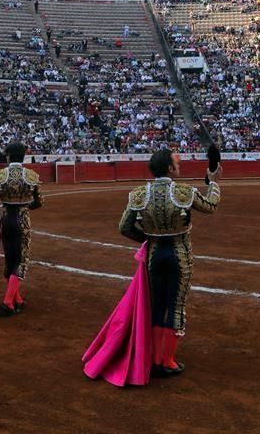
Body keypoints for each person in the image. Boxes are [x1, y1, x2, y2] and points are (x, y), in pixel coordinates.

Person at [84, 149, 220, 383]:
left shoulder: (139, 194)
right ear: (169, 168)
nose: (179, 166)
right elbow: (211, 205)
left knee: (157, 305)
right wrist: (214, 182)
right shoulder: (184, 192)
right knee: (175, 305)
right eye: (176, 163)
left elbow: (124, 227)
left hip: (154, 256)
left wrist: (149, 238)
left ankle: (155, 358)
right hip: (179, 253)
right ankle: (166, 361)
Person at [0, 141, 42, 314]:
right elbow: (39, 201)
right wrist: (27, 207)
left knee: (10, 258)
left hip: (6, 218)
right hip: (22, 219)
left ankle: (17, 298)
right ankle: (8, 301)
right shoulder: (31, 175)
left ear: (8, 156)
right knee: (21, 260)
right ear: (23, 155)